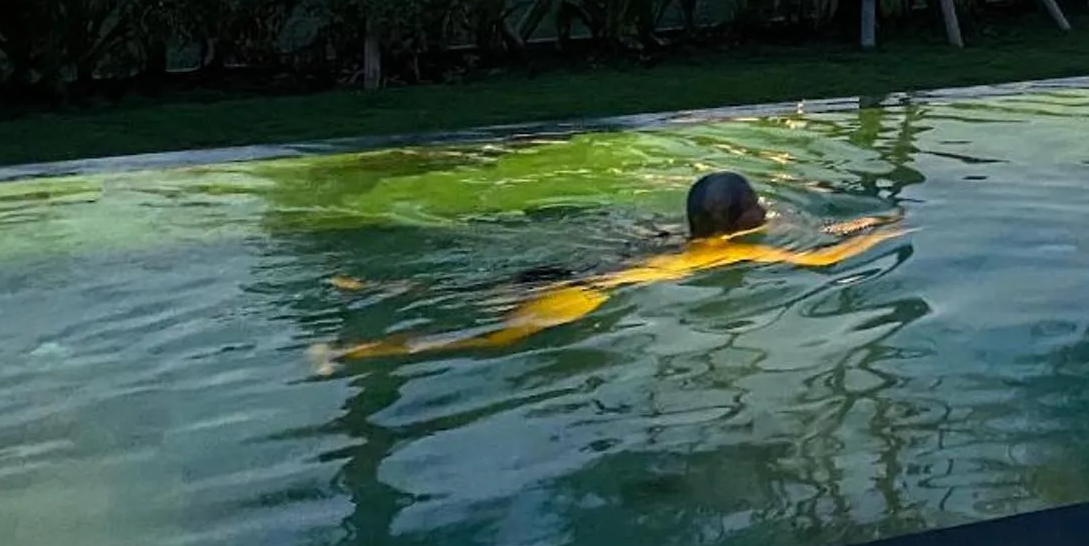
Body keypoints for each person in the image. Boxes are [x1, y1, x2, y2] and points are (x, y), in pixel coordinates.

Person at [326, 172, 899, 365]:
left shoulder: (678, 236)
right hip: (581, 292)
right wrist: (888, 229)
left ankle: (376, 285)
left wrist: (862, 219)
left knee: (465, 289)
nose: (764, 209)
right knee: (490, 339)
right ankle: (368, 351)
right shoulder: (731, 251)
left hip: (570, 268)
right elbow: (823, 254)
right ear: (732, 221)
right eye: (755, 204)